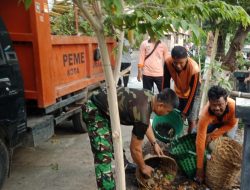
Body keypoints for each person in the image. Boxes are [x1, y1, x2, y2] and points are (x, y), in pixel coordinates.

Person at [82, 87, 179, 190]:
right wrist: (143, 167)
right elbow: (135, 149)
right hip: (95, 109)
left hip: (106, 109)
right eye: (168, 111)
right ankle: (107, 187)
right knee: (103, 153)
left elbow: (145, 124)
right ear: (161, 105)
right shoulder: (143, 112)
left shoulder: (150, 96)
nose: (167, 114)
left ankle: (124, 165)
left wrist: (154, 143)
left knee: (115, 141)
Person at [195, 85, 239, 183]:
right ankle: (207, 160)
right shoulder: (205, 114)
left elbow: (231, 124)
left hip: (229, 123)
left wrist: (213, 135)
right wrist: (200, 168)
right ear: (209, 103)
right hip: (214, 121)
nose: (217, 108)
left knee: (227, 142)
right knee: (198, 135)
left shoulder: (234, 107)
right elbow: (200, 141)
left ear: (226, 102)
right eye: (213, 105)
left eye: (220, 104)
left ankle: (223, 166)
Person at [163, 45, 200, 133]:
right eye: (175, 63)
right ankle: (175, 137)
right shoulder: (168, 62)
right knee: (177, 117)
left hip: (193, 93)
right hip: (179, 91)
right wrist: (165, 102)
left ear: (186, 58)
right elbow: (165, 84)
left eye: (181, 63)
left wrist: (185, 112)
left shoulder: (194, 68)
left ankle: (188, 138)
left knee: (191, 119)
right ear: (172, 59)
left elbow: (193, 94)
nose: (178, 66)